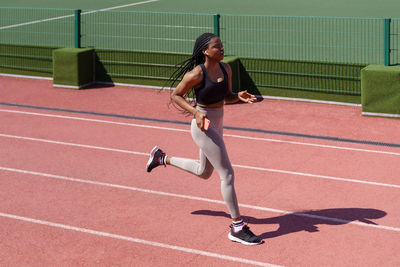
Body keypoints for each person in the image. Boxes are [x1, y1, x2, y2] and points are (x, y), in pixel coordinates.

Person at [146, 33, 262, 245]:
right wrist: (196, 112)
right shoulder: (196, 74)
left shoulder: (226, 69)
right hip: (203, 126)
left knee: (203, 171)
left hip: (218, 122)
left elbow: (225, 96)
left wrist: (238, 96)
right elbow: (176, 95)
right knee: (227, 174)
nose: (222, 49)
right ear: (205, 51)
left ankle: (161, 158)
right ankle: (237, 227)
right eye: (217, 47)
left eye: (222, 46)